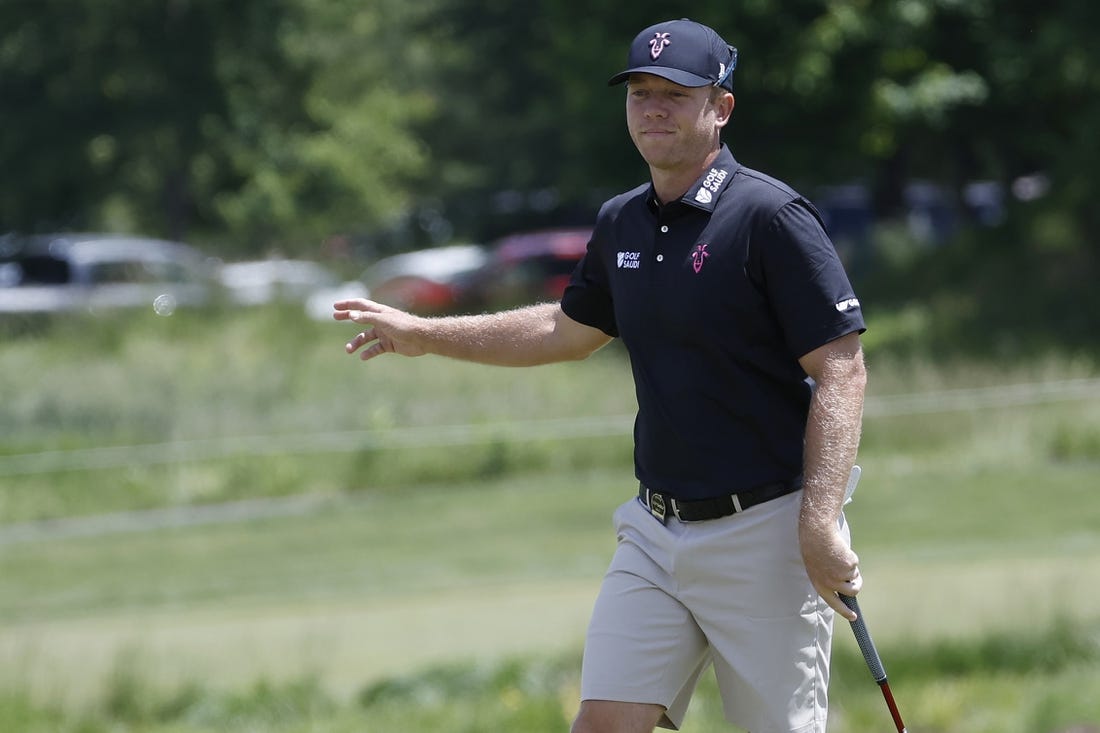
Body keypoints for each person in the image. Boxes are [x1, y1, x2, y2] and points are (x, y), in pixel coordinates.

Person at [334, 17, 867, 733]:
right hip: (655, 531)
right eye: (640, 93)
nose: (653, 108)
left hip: (766, 536)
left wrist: (819, 523)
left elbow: (842, 368)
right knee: (602, 724)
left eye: (675, 94)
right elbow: (564, 330)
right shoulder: (623, 222)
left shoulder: (770, 217)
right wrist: (424, 334)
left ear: (721, 107)